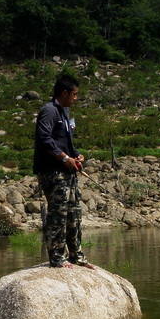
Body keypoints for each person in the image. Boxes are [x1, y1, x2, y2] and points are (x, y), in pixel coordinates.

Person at [33, 74, 94, 270]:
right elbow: (45, 140)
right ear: (64, 92)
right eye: (74, 94)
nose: (76, 98)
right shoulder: (49, 111)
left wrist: (76, 155)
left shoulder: (65, 112)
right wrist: (63, 158)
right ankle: (57, 257)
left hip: (68, 171)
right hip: (52, 171)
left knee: (74, 213)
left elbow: (67, 142)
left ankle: (76, 255)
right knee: (58, 214)